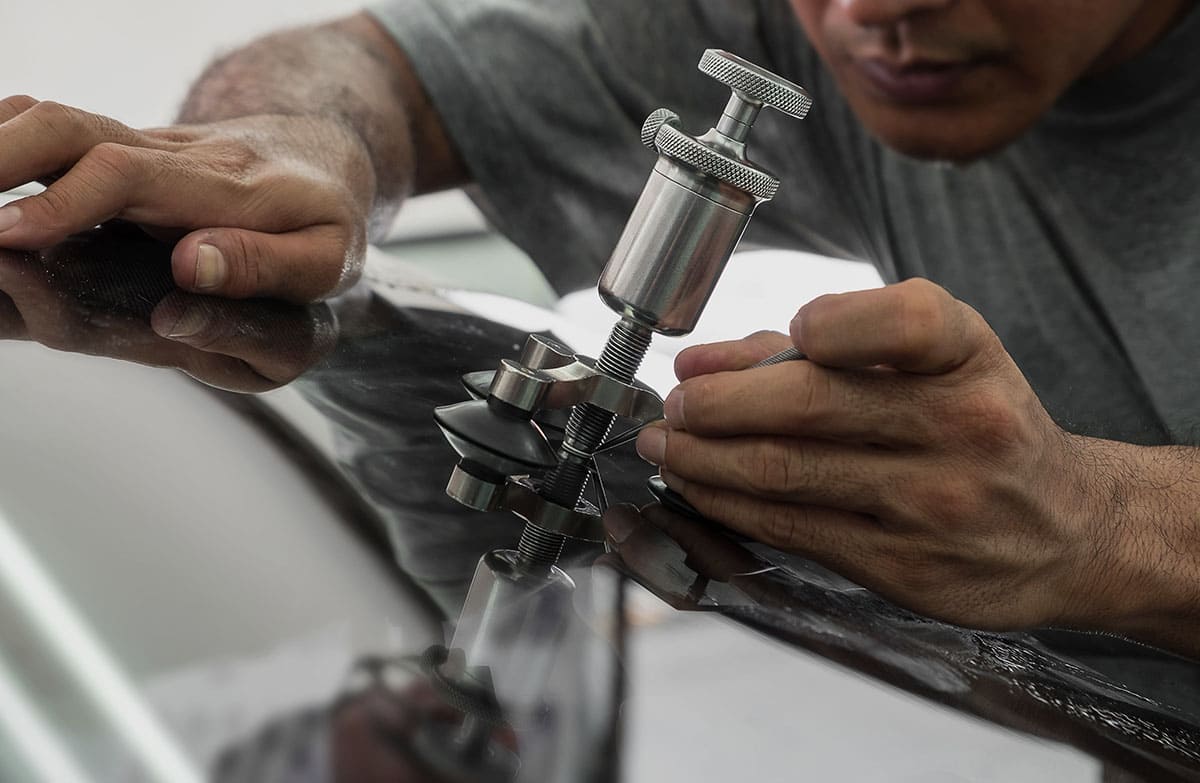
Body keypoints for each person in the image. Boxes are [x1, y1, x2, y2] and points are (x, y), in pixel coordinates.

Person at [1, 0, 1198, 661]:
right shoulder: (826, 37)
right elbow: (377, 65)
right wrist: (298, 140)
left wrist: (1112, 524)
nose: (874, 12)